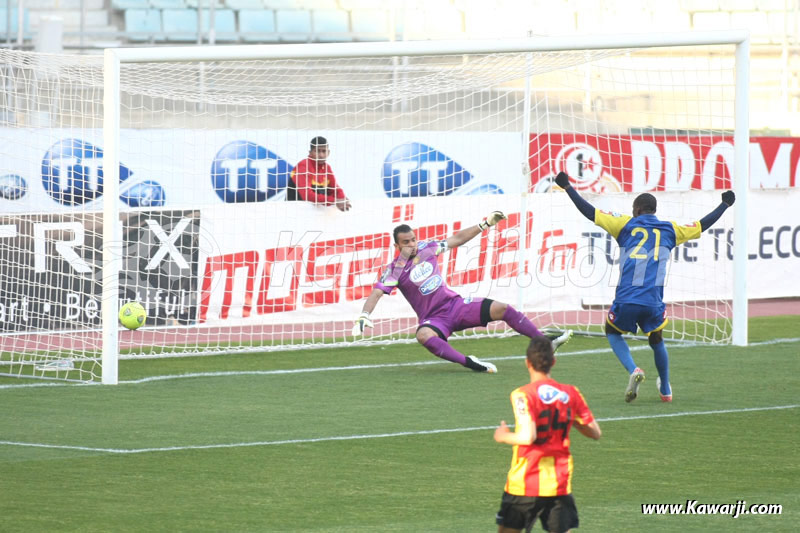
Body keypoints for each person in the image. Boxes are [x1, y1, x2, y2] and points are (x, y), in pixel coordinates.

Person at [554, 171, 735, 402]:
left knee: (612, 331)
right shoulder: (670, 230)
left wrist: (568, 187)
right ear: (653, 210)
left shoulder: (625, 224)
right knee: (656, 339)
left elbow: (590, 212)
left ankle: (634, 369)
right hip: (653, 301)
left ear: (638, 210)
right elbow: (702, 225)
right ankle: (666, 388)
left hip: (626, 298)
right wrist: (724, 205)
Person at [352, 212, 573, 373]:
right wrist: (364, 314)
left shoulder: (428, 249)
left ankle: (546, 342)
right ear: (397, 246)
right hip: (434, 319)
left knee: (502, 308)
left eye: (413, 239)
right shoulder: (395, 269)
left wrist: (485, 224)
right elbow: (377, 293)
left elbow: (457, 239)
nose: (412, 244)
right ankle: (470, 362)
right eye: (406, 242)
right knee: (423, 335)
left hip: (456, 306)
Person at [494, 336, 601, 533]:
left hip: (524, 484)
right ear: (553, 362)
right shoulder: (571, 393)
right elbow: (595, 432)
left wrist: (503, 435)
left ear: (527, 363)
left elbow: (528, 437)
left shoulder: (522, 394)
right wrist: (569, 416)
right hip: (558, 484)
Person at [287, 136, 352, 211]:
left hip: (314, 213)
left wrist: (342, 200)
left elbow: (336, 190)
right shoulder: (303, 166)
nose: (321, 155)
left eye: (324, 151)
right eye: (317, 151)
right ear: (310, 153)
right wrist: (335, 201)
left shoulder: (327, 168)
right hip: (295, 212)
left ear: (328, 152)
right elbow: (307, 195)